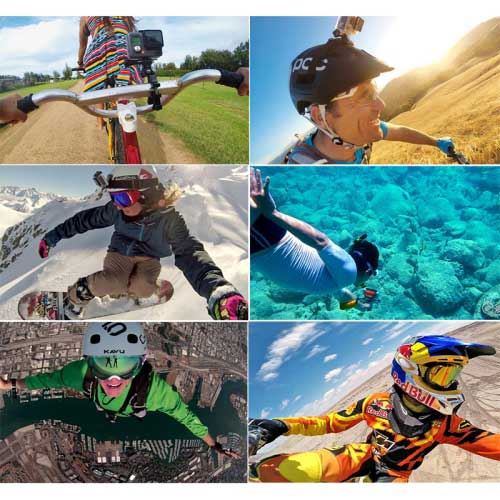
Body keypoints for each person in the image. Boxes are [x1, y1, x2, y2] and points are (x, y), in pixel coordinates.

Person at [249, 335, 500, 482]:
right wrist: (280, 425)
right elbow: (329, 422)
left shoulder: (446, 424)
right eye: (443, 374)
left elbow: (490, 443)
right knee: (272, 471)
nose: (451, 384)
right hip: (362, 456)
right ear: (410, 372)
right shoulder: (375, 403)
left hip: (393, 476)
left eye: (454, 375)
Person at [38, 165, 247, 320]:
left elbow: (190, 253)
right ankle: (76, 298)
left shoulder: (170, 220)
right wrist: (52, 237)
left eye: (123, 199)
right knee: (111, 280)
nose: (118, 206)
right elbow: (85, 220)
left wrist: (217, 289)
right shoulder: (118, 211)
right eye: (113, 198)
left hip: (149, 258)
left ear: (146, 196)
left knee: (143, 288)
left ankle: (129, 289)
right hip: (120, 252)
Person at [0, 323, 237, 458]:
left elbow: (48, 380)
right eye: (105, 366)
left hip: (120, 404)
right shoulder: (81, 374)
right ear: (90, 363)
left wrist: (213, 444)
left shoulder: (152, 391)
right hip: (127, 406)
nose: (113, 380)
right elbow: (47, 381)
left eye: (124, 366)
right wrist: (9, 384)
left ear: (140, 365)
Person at [285, 34, 458, 164]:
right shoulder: (303, 172)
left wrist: (436, 142)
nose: (381, 105)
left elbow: (400, 132)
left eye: (374, 91)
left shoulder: (358, 133)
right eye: (364, 95)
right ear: (320, 117)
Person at [251, 168, 378, 311]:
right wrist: (273, 213)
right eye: (373, 274)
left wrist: (363, 306)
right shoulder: (348, 274)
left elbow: (342, 296)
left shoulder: (338, 277)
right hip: (265, 239)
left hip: (266, 240)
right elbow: (321, 241)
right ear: (368, 271)